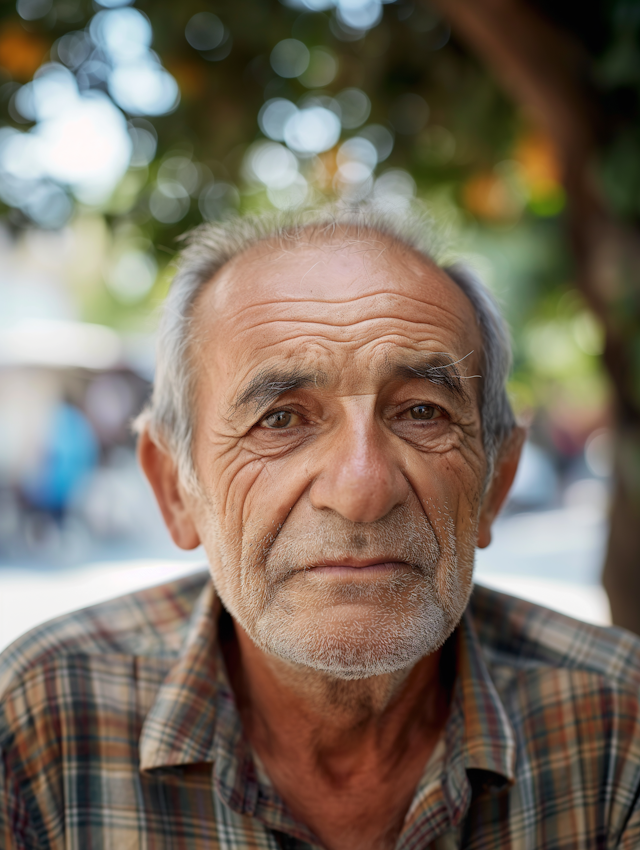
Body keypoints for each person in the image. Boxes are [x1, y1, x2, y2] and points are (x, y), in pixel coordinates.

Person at [1, 208, 639, 850]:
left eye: (422, 411)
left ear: (495, 485)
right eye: (280, 420)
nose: (361, 490)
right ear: (175, 489)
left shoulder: (621, 724)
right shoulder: (40, 718)